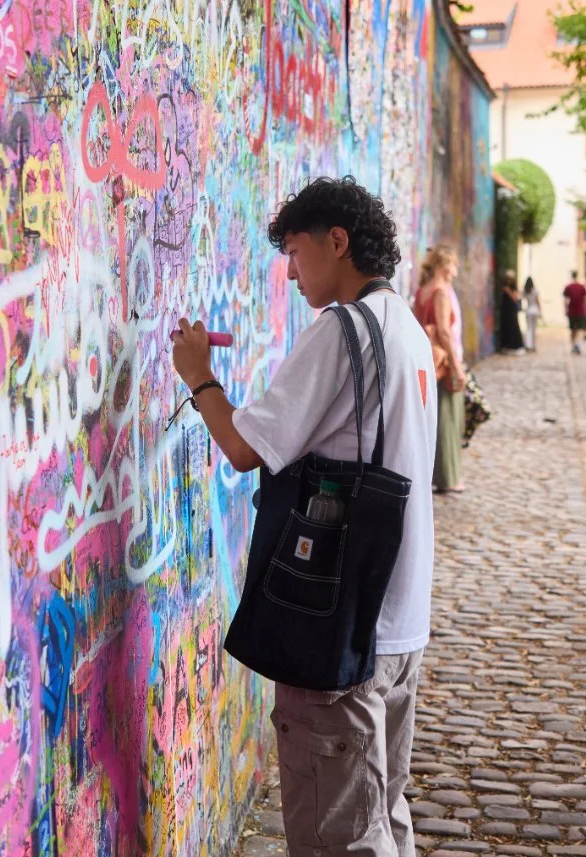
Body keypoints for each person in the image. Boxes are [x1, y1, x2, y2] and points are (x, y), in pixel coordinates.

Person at [169, 176, 436, 857]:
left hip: (340, 625)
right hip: (399, 621)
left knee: (336, 834)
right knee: (382, 813)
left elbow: (242, 447)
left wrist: (198, 376)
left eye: (295, 251)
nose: (289, 271)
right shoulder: (402, 324)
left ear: (337, 242)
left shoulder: (341, 331)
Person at [414, 246, 467, 494]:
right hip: (443, 364)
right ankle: (448, 478)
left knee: (435, 419)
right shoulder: (440, 294)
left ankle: (435, 474)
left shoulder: (421, 292)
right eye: (454, 265)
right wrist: (457, 366)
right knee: (448, 419)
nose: (455, 271)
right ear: (444, 266)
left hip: (428, 361)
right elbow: (444, 332)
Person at [498, 270, 526, 353]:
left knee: (514, 327)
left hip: (512, 312)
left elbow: (516, 298)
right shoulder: (505, 287)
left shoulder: (512, 288)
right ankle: (506, 346)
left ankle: (515, 346)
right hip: (506, 312)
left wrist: (509, 291)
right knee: (507, 328)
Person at [563, 271, 586, 354]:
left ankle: (574, 345)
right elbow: (585, 299)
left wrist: (566, 309)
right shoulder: (581, 286)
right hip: (580, 310)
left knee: (573, 329)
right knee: (579, 329)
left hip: (572, 311)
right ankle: (576, 344)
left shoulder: (568, 286)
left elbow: (566, 300)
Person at [523, 276, 542, 351]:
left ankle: (528, 344)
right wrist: (540, 311)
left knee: (529, 329)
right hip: (535, 310)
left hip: (529, 310)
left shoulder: (525, 291)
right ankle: (533, 345)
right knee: (534, 329)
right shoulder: (535, 290)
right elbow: (537, 301)